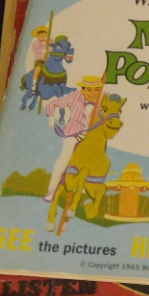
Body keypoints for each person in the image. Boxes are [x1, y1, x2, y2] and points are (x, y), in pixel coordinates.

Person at [43, 74, 105, 214]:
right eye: (89, 90)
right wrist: (51, 118)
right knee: (65, 159)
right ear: (82, 90)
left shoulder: (103, 97)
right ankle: (52, 190)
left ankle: (85, 195)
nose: (93, 93)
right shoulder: (74, 97)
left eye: (96, 89)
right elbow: (51, 104)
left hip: (91, 138)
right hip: (73, 134)